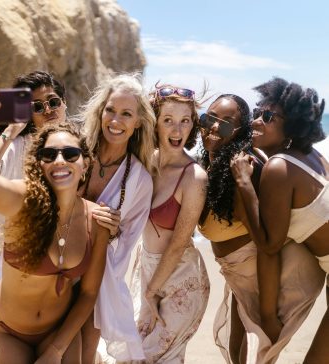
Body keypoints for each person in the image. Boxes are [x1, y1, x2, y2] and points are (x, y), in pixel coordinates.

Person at [198, 93, 324, 364]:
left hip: (268, 277)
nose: (215, 127)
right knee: (237, 349)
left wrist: (268, 315)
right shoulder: (217, 165)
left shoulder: (251, 172)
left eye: (267, 117)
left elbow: (268, 248)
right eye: (208, 118)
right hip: (240, 277)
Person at [0, 122, 109, 363]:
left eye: (70, 154)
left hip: (58, 330)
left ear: (85, 164)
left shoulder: (96, 220)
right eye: (48, 154)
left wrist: (56, 350)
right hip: (7, 332)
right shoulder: (24, 203)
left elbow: (88, 293)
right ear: (39, 163)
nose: (59, 160)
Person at [231, 77, 328, 363]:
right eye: (257, 113)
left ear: (292, 127)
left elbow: (270, 244)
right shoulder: (315, 157)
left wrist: (244, 184)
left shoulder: (280, 167)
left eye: (268, 116)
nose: (256, 121)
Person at [126, 84, 210, 363]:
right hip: (147, 267)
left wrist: (152, 292)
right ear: (155, 123)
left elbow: (179, 242)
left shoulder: (194, 177)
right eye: (168, 121)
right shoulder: (147, 162)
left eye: (185, 121)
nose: (177, 130)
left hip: (180, 276)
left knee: (157, 356)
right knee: (131, 352)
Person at [76, 73, 156, 362]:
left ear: (138, 122)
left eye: (126, 114)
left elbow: (126, 245)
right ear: (100, 112)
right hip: (52, 266)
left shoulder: (139, 180)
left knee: (83, 356)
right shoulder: (75, 151)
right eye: (110, 110)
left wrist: (110, 231)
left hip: (96, 278)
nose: (116, 120)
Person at [0, 71, 68, 303]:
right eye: (37, 107)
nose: (48, 110)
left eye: (53, 102)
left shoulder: (75, 145)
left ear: (65, 104)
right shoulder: (17, 145)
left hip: (45, 250)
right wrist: (12, 129)